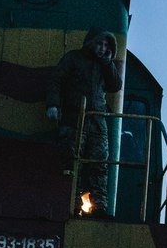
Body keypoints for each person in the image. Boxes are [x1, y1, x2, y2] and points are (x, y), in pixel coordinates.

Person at [45, 28, 122, 215]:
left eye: (106, 45)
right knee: (72, 163)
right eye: (99, 43)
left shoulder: (105, 65)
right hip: (74, 119)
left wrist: (108, 63)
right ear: (91, 42)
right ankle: (71, 205)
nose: (102, 48)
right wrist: (53, 105)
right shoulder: (73, 58)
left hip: (97, 120)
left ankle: (99, 207)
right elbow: (56, 80)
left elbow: (115, 85)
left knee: (99, 165)